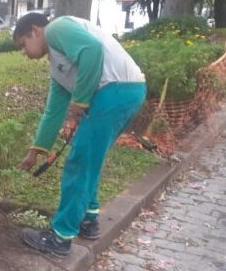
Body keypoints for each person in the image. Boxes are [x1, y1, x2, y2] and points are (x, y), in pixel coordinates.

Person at [13, 13, 146, 257]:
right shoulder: (58, 66)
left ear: (35, 31)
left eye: (23, 44)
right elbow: (53, 113)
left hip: (114, 92)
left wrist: (80, 101)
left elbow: (92, 51)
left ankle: (60, 237)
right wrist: (34, 153)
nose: (25, 53)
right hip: (126, 92)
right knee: (90, 160)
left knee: (80, 163)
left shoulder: (56, 29)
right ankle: (88, 219)